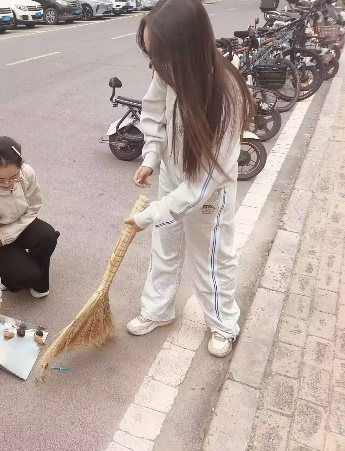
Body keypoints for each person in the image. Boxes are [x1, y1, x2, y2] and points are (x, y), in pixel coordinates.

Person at [123, 0, 254, 357]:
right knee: (164, 247)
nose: (156, 65)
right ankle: (158, 310)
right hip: (172, 176)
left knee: (211, 258)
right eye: (152, 56)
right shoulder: (168, 70)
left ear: (187, 47)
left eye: (160, 55)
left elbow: (201, 186)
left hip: (208, 192)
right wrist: (152, 156)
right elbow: (154, 113)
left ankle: (223, 324)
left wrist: (149, 215)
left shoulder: (226, 95)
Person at [0, 136, 59, 322]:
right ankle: (9, 276)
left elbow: (33, 207)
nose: (8, 184)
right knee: (26, 275)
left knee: (47, 236)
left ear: (20, 167)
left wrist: (6, 235)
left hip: (18, 224)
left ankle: (32, 274)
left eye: (13, 177)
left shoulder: (27, 173)